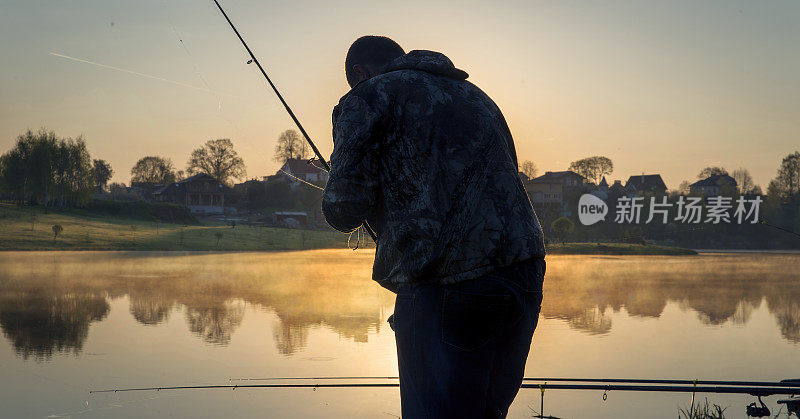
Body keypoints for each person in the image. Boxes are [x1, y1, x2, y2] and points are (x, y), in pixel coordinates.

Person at [322, 35, 546, 419]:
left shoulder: (369, 95)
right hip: (523, 273)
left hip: (446, 280)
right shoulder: (477, 96)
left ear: (360, 73)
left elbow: (343, 209)